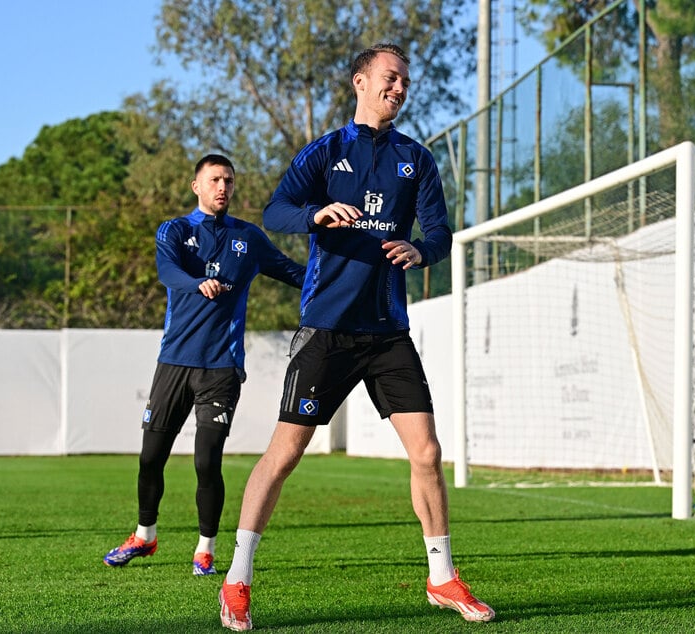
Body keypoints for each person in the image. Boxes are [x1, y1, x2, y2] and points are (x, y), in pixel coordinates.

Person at [217, 44, 495, 630]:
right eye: (389, 78)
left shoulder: (416, 159)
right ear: (361, 82)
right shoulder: (326, 151)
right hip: (328, 329)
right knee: (286, 452)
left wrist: (422, 249)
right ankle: (237, 577)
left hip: (389, 331)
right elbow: (275, 211)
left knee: (427, 452)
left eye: (405, 82)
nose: (398, 88)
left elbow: (441, 233)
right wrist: (315, 215)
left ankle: (441, 577)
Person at [103, 154, 305, 576]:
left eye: (229, 181)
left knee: (206, 459)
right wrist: (197, 283)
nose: (222, 188)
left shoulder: (248, 239)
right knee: (150, 456)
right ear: (196, 185)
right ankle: (145, 536)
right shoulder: (175, 230)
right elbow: (167, 271)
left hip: (222, 367)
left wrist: (342, 276)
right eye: (214, 180)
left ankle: (205, 549)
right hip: (174, 362)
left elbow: (293, 273)